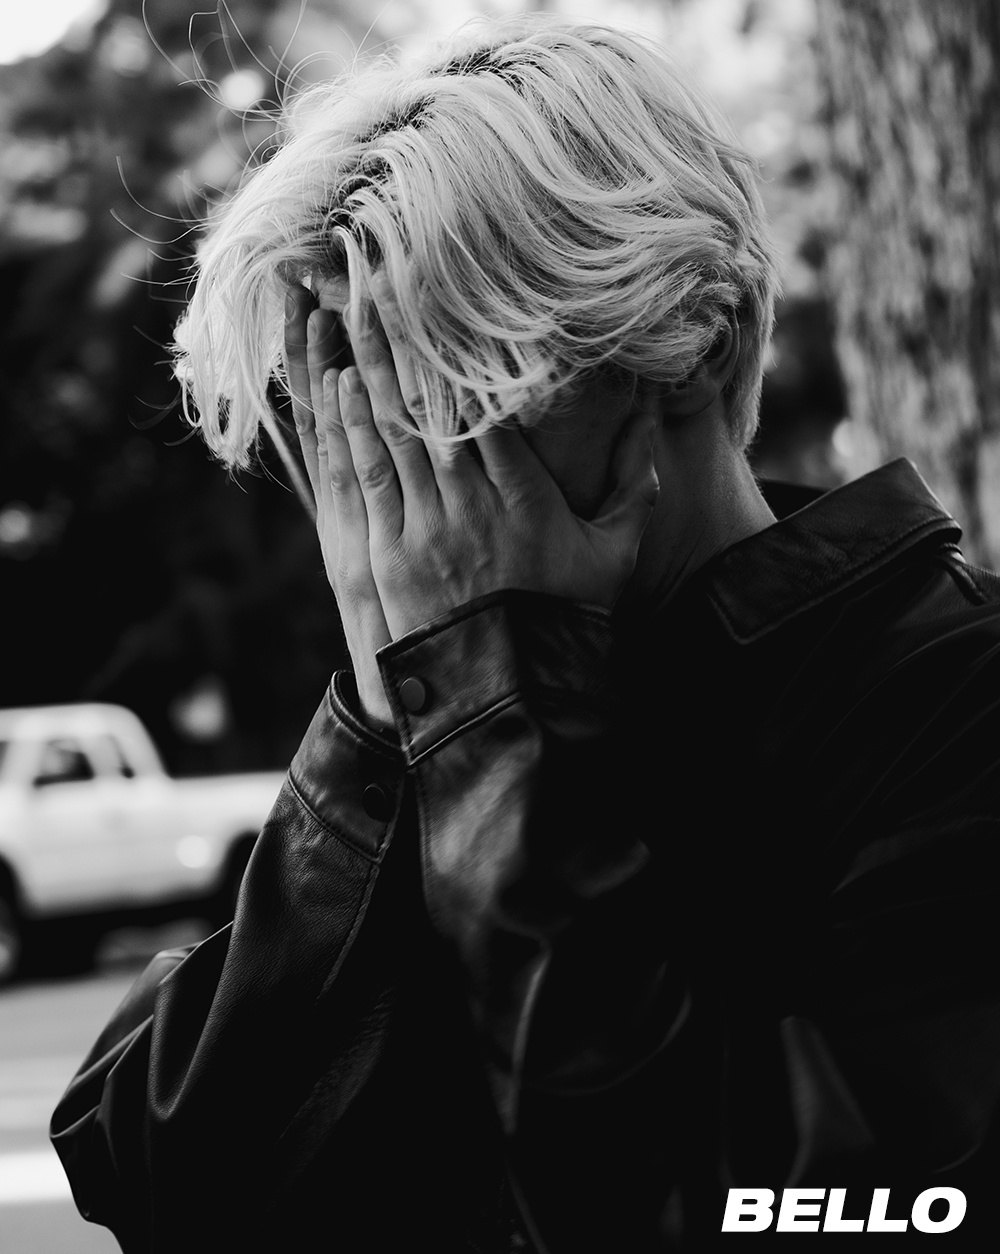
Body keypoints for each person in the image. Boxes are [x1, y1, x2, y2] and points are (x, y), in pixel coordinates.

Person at [51, 13, 1000, 1251]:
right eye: (350, 408)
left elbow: (769, 1206)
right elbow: (162, 1175)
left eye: (457, 385)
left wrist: (496, 720)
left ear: (692, 345)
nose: (402, 472)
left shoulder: (952, 701)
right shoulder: (440, 709)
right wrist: (378, 729)